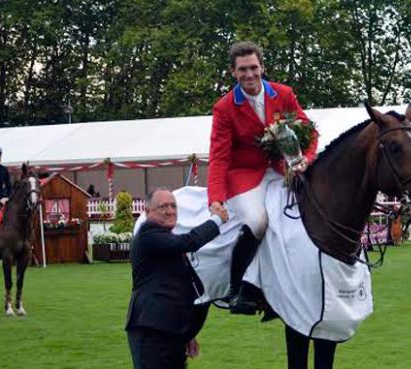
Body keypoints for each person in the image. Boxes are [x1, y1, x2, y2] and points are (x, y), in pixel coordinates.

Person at [208, 41, 318, 314]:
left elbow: (309, 132)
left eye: (253, 68)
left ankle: (286, 286)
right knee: (258, 222)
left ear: (262, 67)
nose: (249, 75)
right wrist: (216, 198)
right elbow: (219, 156)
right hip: (244, 175)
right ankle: (236, 289)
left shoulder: (284, 94)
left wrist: (307, 159)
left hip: (282, 170)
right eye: (242, 69)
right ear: (233, 72)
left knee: (294, 222)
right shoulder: (224, 108)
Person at [125, 188, 228, 369]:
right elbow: (189, 242)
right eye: (163, 206)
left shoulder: (166, 240)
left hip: (172, 331)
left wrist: (188, 334)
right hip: (151, 331)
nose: (170, 211)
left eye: (173, 206)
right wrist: (216, 220)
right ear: (147, 212)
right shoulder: (148, 234)